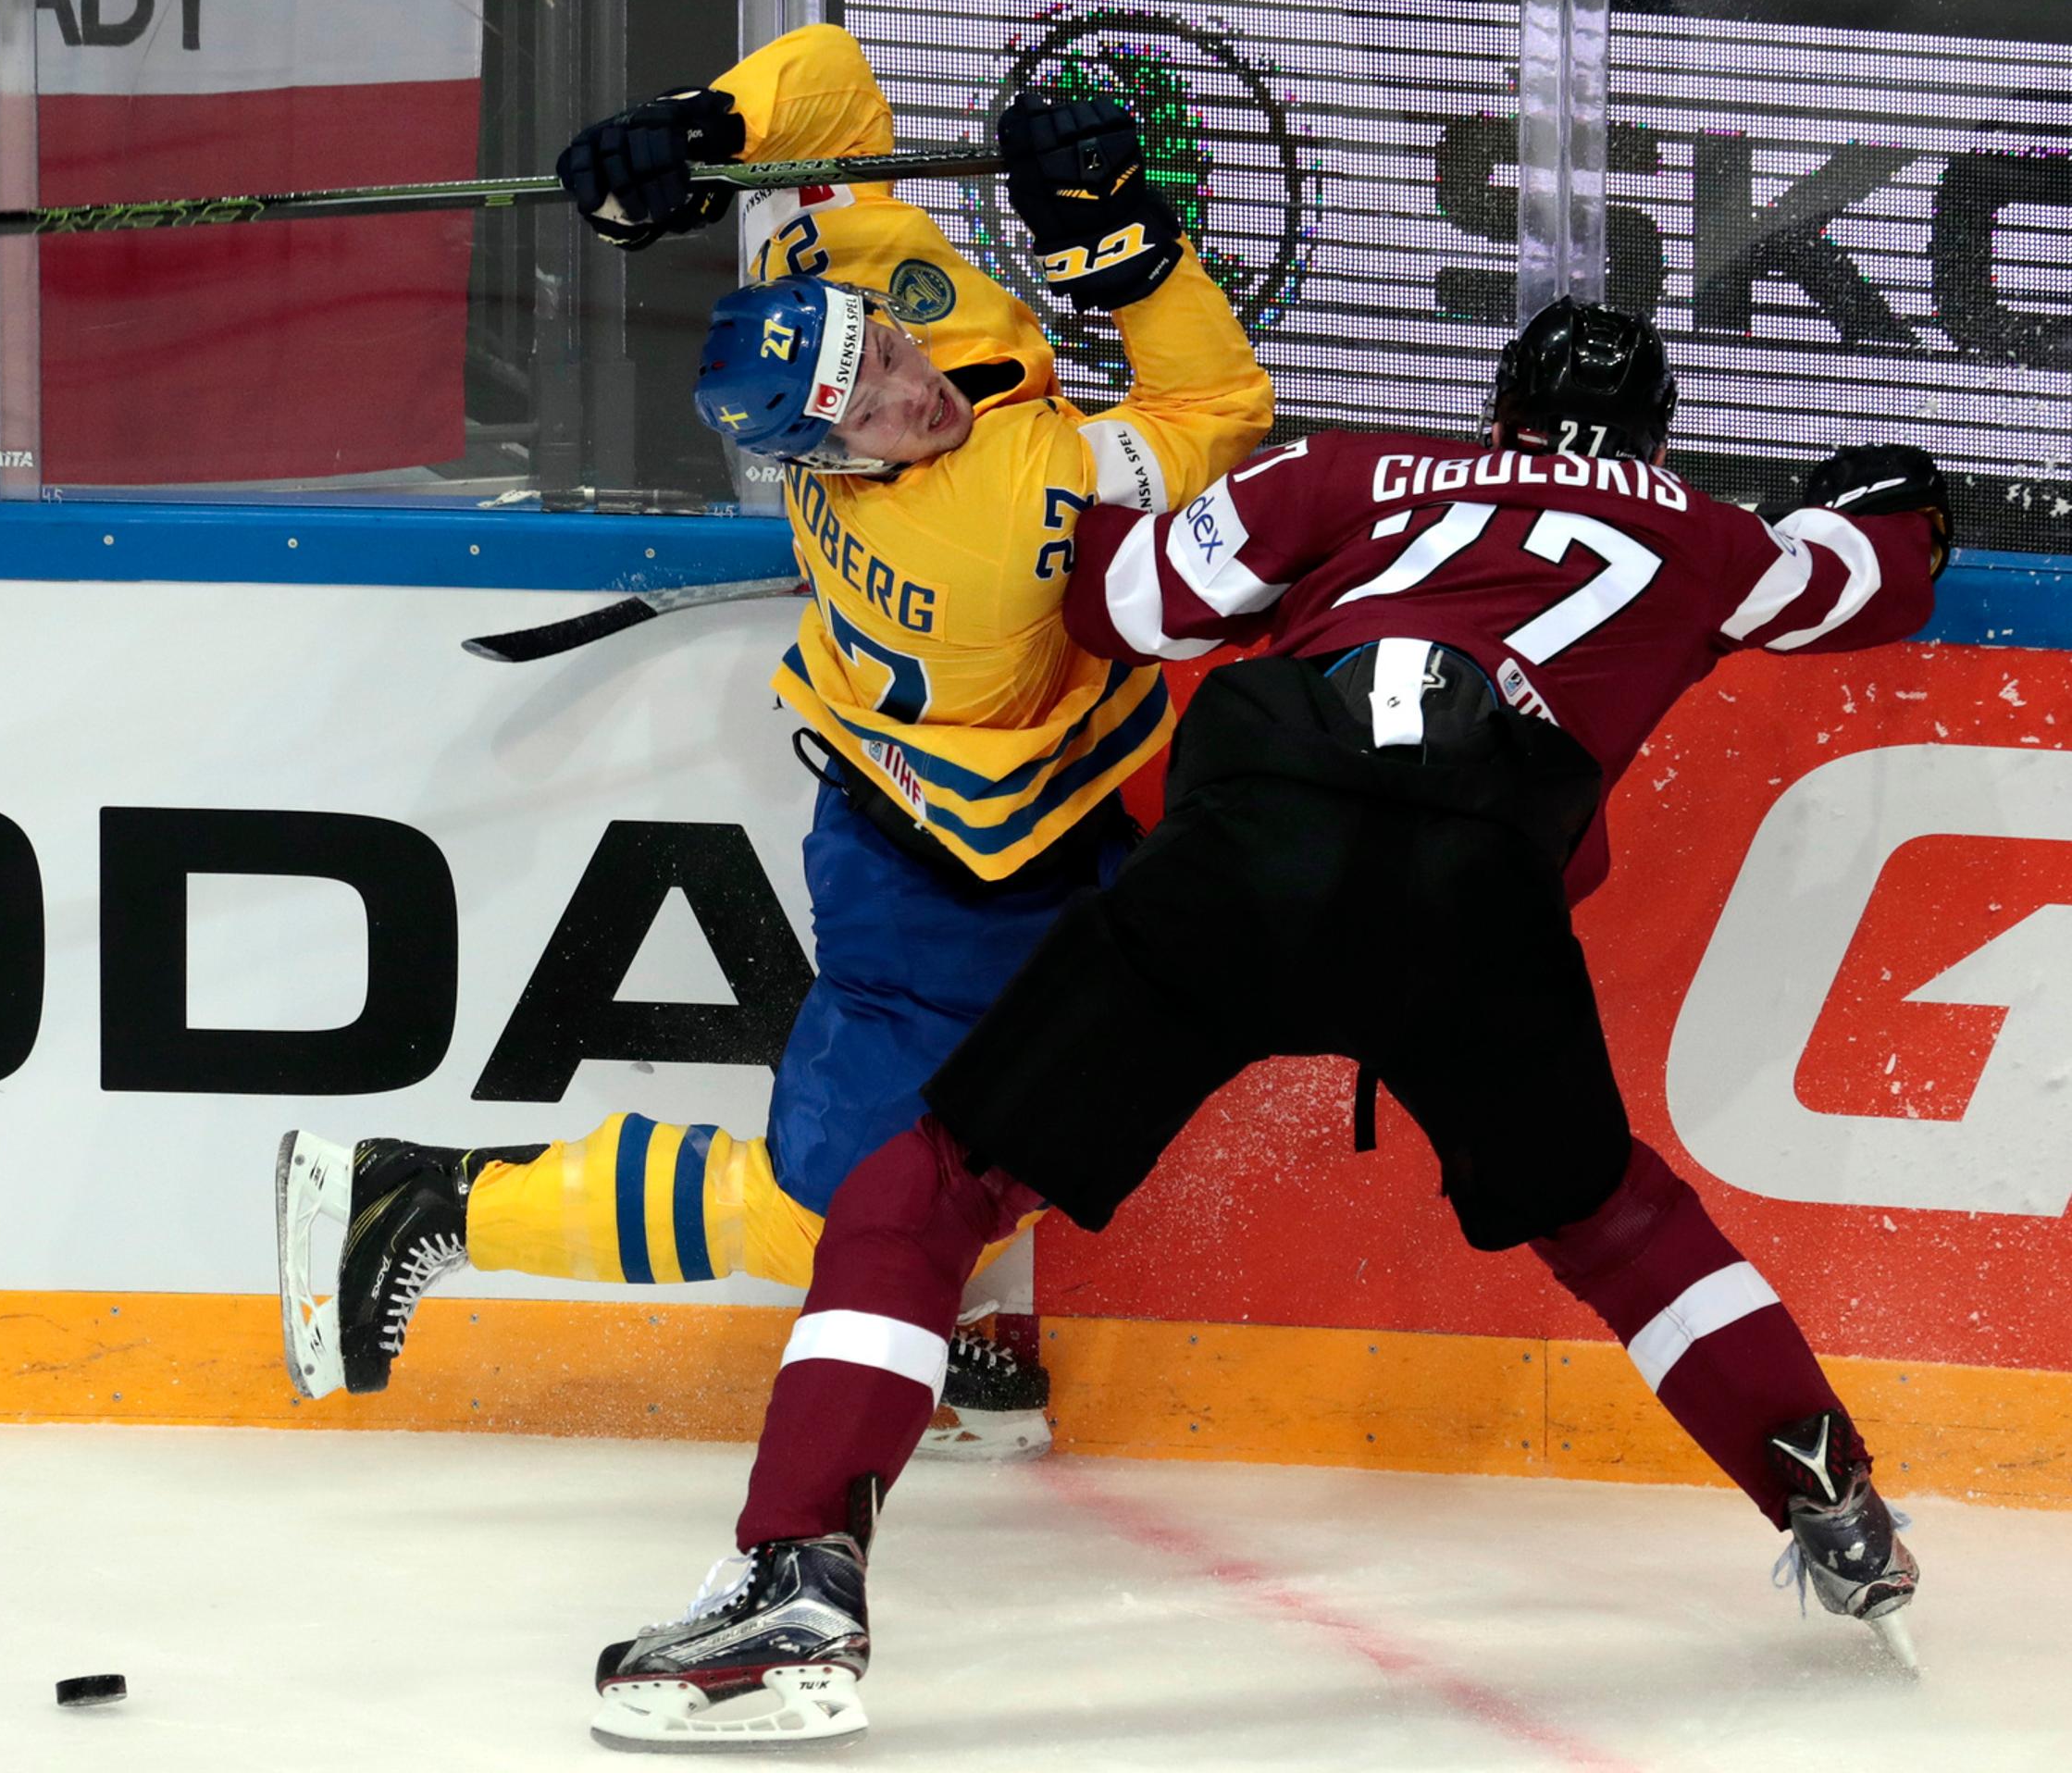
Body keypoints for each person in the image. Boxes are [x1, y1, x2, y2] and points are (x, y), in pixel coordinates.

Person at [585, 297, 1946, 1748]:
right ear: (1662, 433)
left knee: (932, 1184)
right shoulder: (1710, 537)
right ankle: (1836, 1506)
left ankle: (801, 1569)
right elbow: (1877, 576)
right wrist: (1900, 505)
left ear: (1499, 416)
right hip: (1476, 900)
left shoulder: (1348, 474)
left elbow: (1125, 603)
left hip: (1254, 848)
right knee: (1613, 1215)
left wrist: (1034, 498)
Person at [274, 23, 1271, 1465]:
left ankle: (962, 1320)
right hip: (947, 880)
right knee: (825, 1199)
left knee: (1072, 1090)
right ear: (830, 463)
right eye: (870, 409)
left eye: (888, 354)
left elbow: (834, 82)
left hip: (1009, 823)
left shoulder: (825, 289)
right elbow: (1219, 411)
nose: (911, 388)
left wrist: (698, 128)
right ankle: (422, 1195)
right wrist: (1126, 251)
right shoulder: (1002, 521)